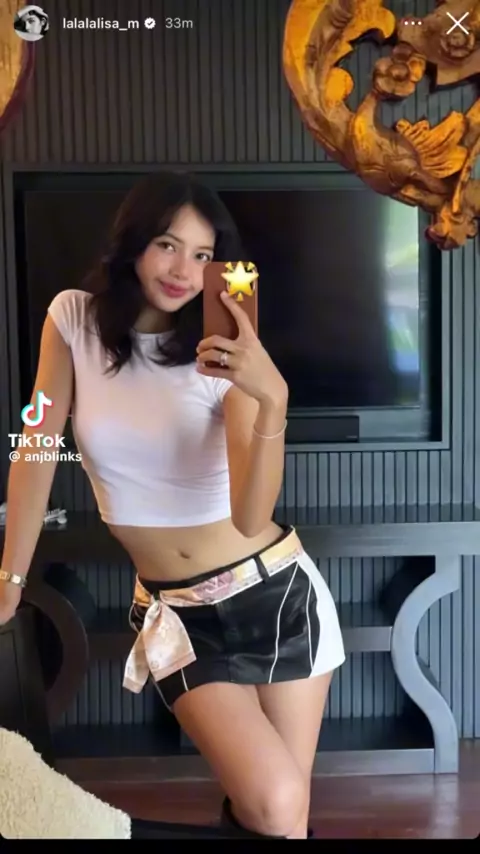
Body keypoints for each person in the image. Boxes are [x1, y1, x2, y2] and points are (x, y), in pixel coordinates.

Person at [0, 172, 345, 839]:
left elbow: (251, 515)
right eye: (167, 244)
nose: (184, 270)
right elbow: (36, 442)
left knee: (280, 817)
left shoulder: (223, 355)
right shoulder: (71, 320)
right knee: (275, 800)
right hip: (179, 616)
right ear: (133, 243)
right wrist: (10, 578)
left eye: (202, 254)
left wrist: (270, 398)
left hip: (279, 598)